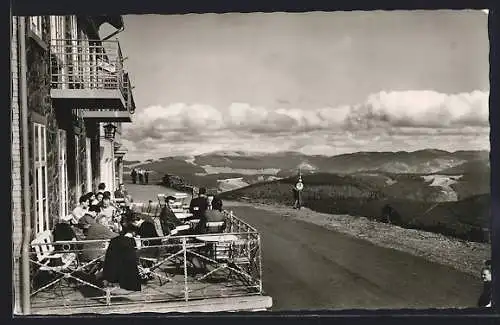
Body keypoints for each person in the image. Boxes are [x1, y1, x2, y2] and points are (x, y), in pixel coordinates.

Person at [102, 213, 141, 291]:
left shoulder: (116, 240)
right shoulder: (131, 241)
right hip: (125, 270)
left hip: (111, 269)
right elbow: (136, 254)